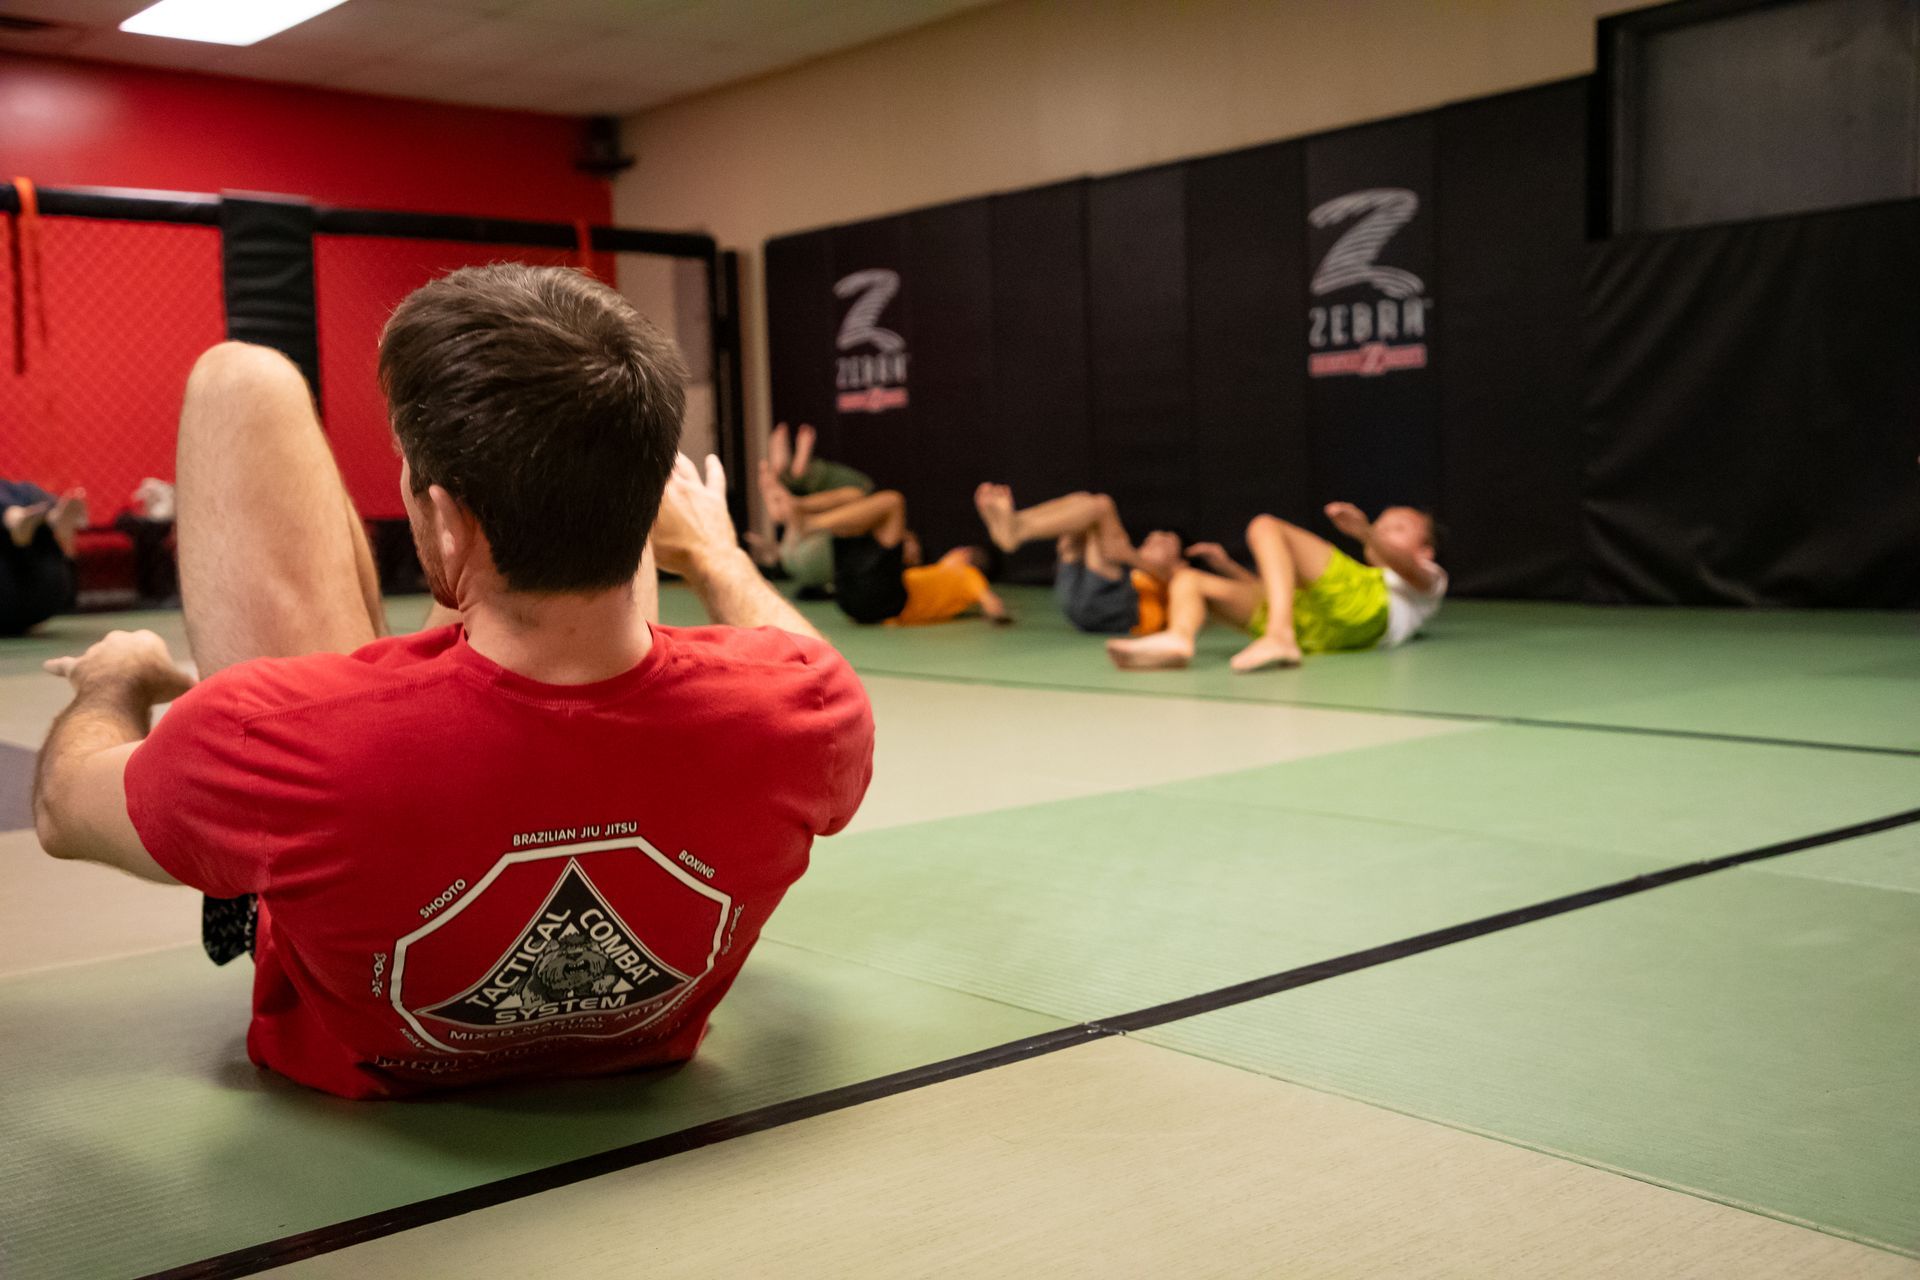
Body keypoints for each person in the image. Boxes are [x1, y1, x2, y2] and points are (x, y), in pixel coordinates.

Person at [31, 264, 875, 1100]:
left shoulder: (262, 738)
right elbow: (799, 655)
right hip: (615, 1011)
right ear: (652, 501)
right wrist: (717, 555)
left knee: (239, 381)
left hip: (337, 833)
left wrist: (113, 684)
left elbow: (64, 809)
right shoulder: (808, 709)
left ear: (442, 517)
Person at [1106, 502, 1446, 672]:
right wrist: (1227, 567)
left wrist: (1366, 533)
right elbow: (1272, 591)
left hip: (1367, 614)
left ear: (1426, 550)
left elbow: (1411, 571)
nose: (1384, 530)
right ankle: (1180, 638)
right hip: (1319, 632)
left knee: (1265, 526)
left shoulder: (1428, 579)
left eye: (1398, 528)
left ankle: (1278, 637)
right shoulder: (1347, 581)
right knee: (1189, 579)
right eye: (1381, 525)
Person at [971, 483, 1242, 637]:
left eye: (1164, 540)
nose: (1153, 538)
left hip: (1119, 613)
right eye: (1152, 536)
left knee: (1102, 506)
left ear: (1180, 561)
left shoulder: (1180, 578)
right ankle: (1016, 524)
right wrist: (1126, 554)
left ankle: (1018, 528)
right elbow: (1116, 553)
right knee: (1084, 504)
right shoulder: (1132, 562)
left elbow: (1121, 556)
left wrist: (1129, 555)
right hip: (1080, 599)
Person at [760, 465, 1008, 627]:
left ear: (965, 555)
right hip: (856, 596)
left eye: (958, 551)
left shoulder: (966, 575)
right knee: (855, 497)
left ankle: (808, 521)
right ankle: (797, 507)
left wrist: (998, 613)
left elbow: (992, 604)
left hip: (882, 601)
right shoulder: (936, 575)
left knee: (893, 501)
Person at [1, 480, 85, 636]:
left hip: (39, 590)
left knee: (25, 490)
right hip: (28, 595)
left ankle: (50, 516)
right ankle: (17, 516)